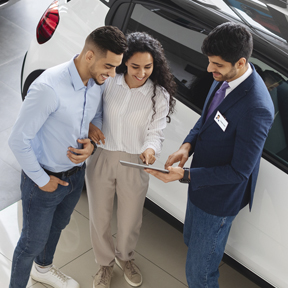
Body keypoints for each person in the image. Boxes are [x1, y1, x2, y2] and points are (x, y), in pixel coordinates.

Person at [145, 22, 274, 288]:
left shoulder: (257, 108)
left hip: (218, 198)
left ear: (239, 62)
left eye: (216, 64)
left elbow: (240, 172)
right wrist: (187, 145)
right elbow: (207, 119)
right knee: (191, 242)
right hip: (200, 184)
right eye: (209, 61)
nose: (209, 69)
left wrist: (186, 175)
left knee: (200, 272)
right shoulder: (225, 78)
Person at [8, 26, 127, 288]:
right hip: (44, 180)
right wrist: (41, 180)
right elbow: (17, 140)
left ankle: (43, 268)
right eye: (109, 66)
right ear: (88, 56)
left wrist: (90, 146)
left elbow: (94, 116)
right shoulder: (49, 88)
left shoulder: (96, 82)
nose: (112, 74)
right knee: (30, 243)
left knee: (57, 226)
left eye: (116, 67)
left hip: (75, 177)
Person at [85, 31, 176, 288]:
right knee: (99, 217)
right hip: (102, 156)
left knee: (130, 219)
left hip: (135, 161)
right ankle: (104, 264)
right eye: (135, 66)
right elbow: (91, 110)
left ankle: (125, 258)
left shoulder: (159, 94)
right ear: (124, 61)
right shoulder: (108, 82)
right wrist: (91, 125)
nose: (142, 72)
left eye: (148, 66)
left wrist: (150, 150)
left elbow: (156, 132)